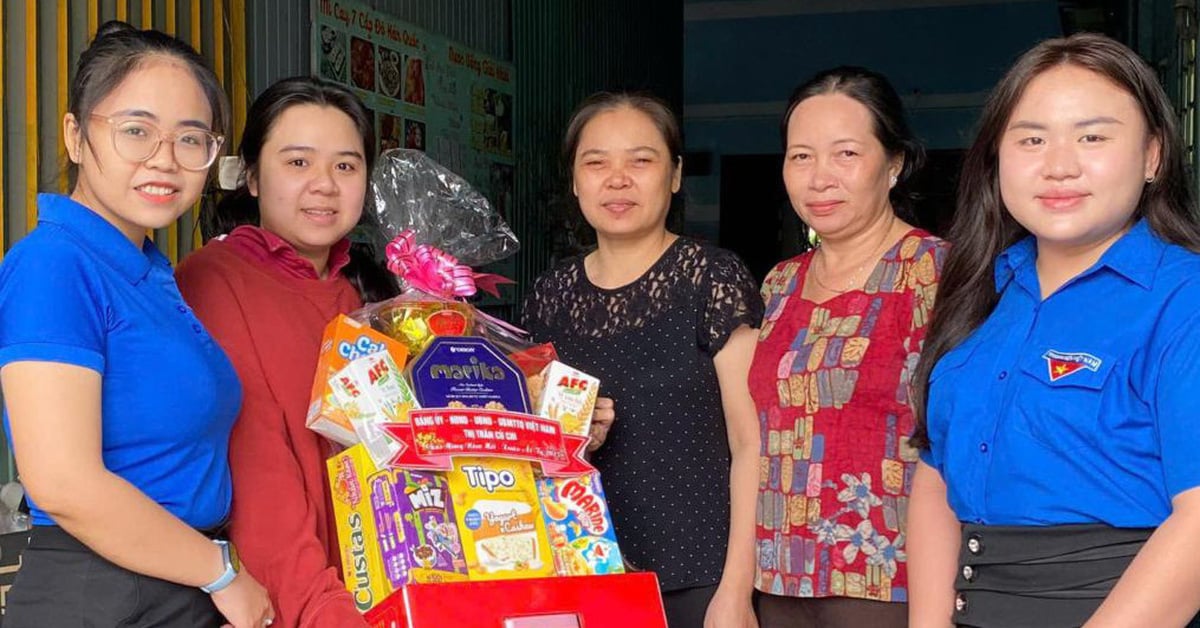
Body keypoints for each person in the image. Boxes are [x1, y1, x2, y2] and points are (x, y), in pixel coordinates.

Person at [909, 33, 1200, 628]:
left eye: (1092, 136)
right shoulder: (981, 292)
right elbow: (936, 473)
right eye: (1032, 139)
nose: (1059, 165)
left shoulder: (1183, 297)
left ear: (1152, 156)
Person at [0, 21, 274, 628]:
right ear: (75, 135)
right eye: (135, 131)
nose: (164, 160)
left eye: (189, 138)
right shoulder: (54, 265)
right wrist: (221, 571)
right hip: (101, 593)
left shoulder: (150, 274)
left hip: (172, 583)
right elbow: (64, 483)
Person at [522, 92, 763, 628]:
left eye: (641, 160)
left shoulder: (711, 278)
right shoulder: (549, 294)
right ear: (575, 181)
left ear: (675, 175)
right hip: (577, 571)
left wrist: (737, 590)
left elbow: (754, 443)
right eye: (596, 162)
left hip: (698, 575)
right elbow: (531, 443)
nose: (617, 179)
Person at [176, 76, 401, 627]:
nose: (324, 185)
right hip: (292, 606)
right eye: (298, 163)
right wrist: (325, 611)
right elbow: (259, 477)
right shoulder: (212, 281)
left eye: (345, 166)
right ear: (251, 175)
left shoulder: (372, 301)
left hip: (392, 594)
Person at [749, 66, 946, 628]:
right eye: (801, 156)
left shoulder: (939, 273)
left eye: (846, 155)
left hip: (892, 585)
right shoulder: (779, 284)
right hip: (779, 579)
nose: (819, 179)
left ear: (894, 164)